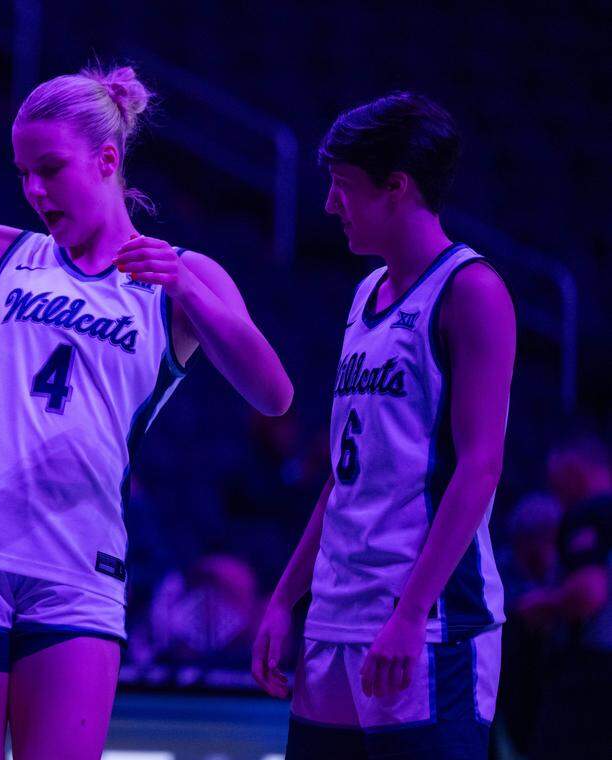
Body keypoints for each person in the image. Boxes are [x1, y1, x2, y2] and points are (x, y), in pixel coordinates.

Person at [0, 40, 292, 759]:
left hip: (78, 558)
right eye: (24, 174)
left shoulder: (182, 274)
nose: (34, 190)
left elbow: (273, 392)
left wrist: (188, 289)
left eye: (51, 169)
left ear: (106, 161)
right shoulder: (7, 254)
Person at [251, 92, 515, 760]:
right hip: (337, 613)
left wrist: (409, 614)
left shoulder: (471, 290)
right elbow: (346, 476)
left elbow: (480, 468)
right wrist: (285, 598)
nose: (329, 206)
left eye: (343, 189)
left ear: (396, 188)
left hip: (429, 624)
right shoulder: (365, 294)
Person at [516, 436, 612, 758]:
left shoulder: (590, 513)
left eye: (555, 482)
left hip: (591, 673)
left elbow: (588, 593)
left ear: (575, 473)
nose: (554, 494)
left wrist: (541, 605)